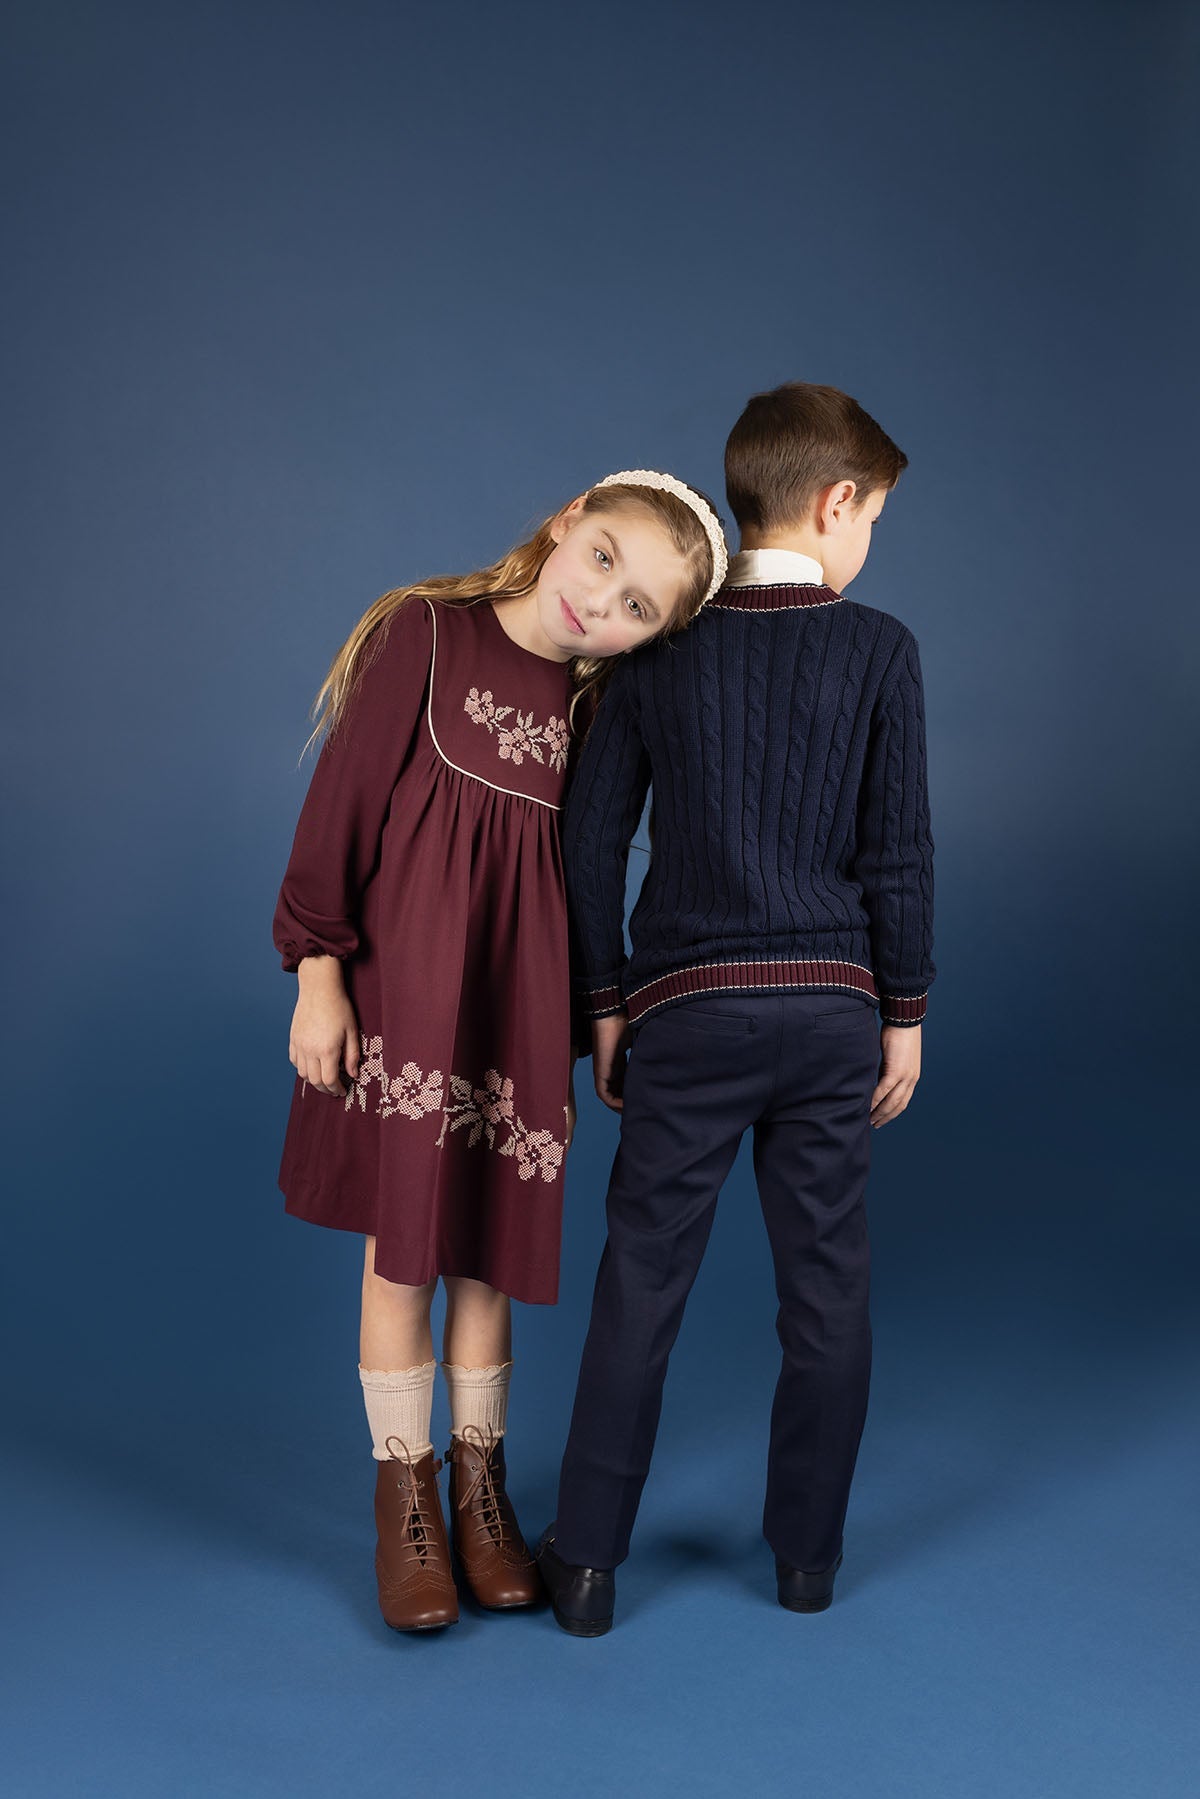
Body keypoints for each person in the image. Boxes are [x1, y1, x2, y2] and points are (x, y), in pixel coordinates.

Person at [273, 470, 728, 1632]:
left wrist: (583, 1032)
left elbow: (580, 890)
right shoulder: (426, 636)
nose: (603, 603)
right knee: (404, 1256)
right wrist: (319, 975)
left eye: (639, 609)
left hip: (518, 1017)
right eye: (606, 559)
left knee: (489, 1260)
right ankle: (406, 1498)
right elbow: (338, 815)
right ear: (570, 521)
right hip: (412, 1002)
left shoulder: (593, 711)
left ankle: (482, 1492)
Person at [537, 383, 935, 1636]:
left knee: (642, 1278)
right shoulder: (881, 648)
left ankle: (587, 1563)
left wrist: (606, 1002)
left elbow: (589, 840)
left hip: (687, 1014)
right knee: (826, 1288)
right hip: (831, 1015)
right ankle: (807, 1559)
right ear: (837, 502)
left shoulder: (659, 646)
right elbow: (899, 854)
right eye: (874, 519)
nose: (870, 543)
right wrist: (905, 1010)